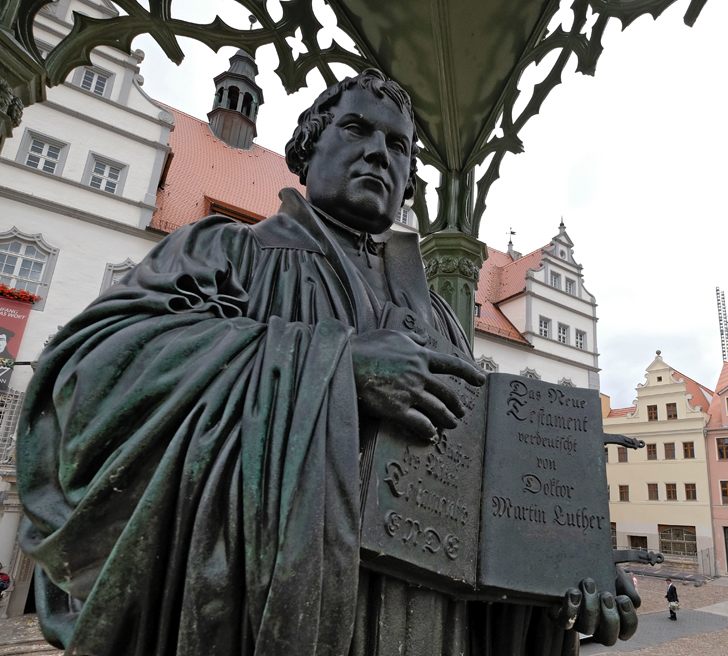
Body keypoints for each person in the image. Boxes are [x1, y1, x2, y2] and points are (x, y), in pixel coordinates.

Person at [17, 70, 638, 656]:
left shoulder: (445, 324)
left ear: (408, 183)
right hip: (287, 608)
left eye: (398, 146)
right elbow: (90, 373)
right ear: (306, 154)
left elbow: (483, 499)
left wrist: (564, 559)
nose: (379, 153)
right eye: (356, 130)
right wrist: (334, 367)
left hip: (435, 630)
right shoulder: (229, 253)